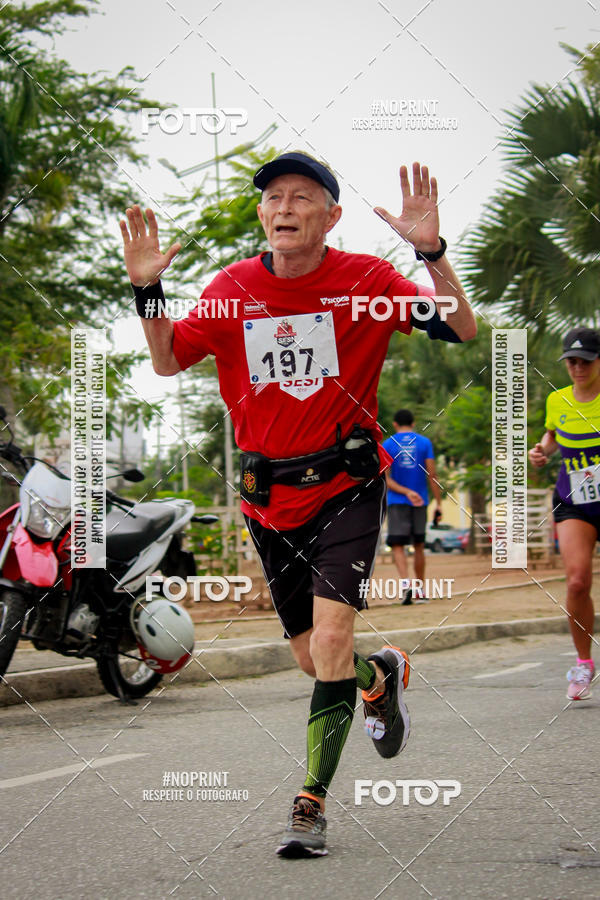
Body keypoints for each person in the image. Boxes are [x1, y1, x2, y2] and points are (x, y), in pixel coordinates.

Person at [120, 153, 477, 857]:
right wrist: (148, 291)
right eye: (274, 197)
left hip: (347, 487)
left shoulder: (367, 281)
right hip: (269, 501)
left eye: (302, 197)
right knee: (315, 659)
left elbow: (461, 327)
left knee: (332, 640)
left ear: (331, 216)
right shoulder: (231, 288)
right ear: (262, 214)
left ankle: (310, 804)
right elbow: (166, 360)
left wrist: (431, 253)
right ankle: (379, 677)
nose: (284, 207)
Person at [529, 326, 600, 701]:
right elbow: (553, 436)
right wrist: (541, 450)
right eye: (572, 361)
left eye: (586, 361)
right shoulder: (557, 400)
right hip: (575, 501)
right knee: (576, 582)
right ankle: (584, 662)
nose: (578, 368)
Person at [382, 409, 442, 603]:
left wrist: (406, 492)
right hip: (420, 501)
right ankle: (420, 590)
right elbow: (432, 475)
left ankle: (405, 584)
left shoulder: (388, 444)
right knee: (419, 545)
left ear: (395, 424)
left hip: (397, 502)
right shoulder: (424, 443)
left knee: (397, 545)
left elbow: (386, 479)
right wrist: (438, 503)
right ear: (413, 423)